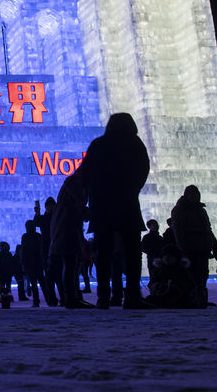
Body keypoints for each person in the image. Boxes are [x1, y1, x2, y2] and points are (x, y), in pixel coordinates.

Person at [80, 112, 150, 309]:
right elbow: (143, 170)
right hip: (126, 204)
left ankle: (103, 297)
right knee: (133, 252)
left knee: (103, 253)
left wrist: (91, 196)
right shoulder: (134, 144)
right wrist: (131, 190)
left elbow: (85, 173)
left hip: (101, 206)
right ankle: (132, 297)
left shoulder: (98, 145)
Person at [49, 167, 92, 308]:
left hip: (67, 228)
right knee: (70, 263)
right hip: (67, 229)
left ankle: (72, 297)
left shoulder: (73, 184)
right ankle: (71, 298)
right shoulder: (74, 184)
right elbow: (79, 206)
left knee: (71, 264)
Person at [170, 185, 215, 308]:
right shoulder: (180, 210)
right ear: (186, 195)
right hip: (190, 248)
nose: (195, 197)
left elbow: (208, 229)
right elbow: (178, 230)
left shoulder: (201, 210)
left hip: (202, 247)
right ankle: (190, 298)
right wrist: (182, 247)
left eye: (196, 194)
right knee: (191, 275)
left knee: (202, 274)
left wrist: (211, 245)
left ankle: (201, 298)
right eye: (192, 194)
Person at [35, 197, 64, 305]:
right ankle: (56, 299)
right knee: (53, 277)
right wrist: (38, 214)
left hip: (52, 248)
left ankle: (56, 299)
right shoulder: (54, 217)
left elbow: (37, 223)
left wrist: (38, 214)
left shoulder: (51, 217)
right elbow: (37, 223)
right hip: (50, 249)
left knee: (54, 277)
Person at [21, 219, 56, 307]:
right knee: (43, 283)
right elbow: (42, 249)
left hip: (30, 263)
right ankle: (48, 301)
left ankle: (36, 302)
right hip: (38, 262)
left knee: (34, 284)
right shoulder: (38, 236)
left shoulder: (25, 237)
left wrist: (23, 263)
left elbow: (24, 251)